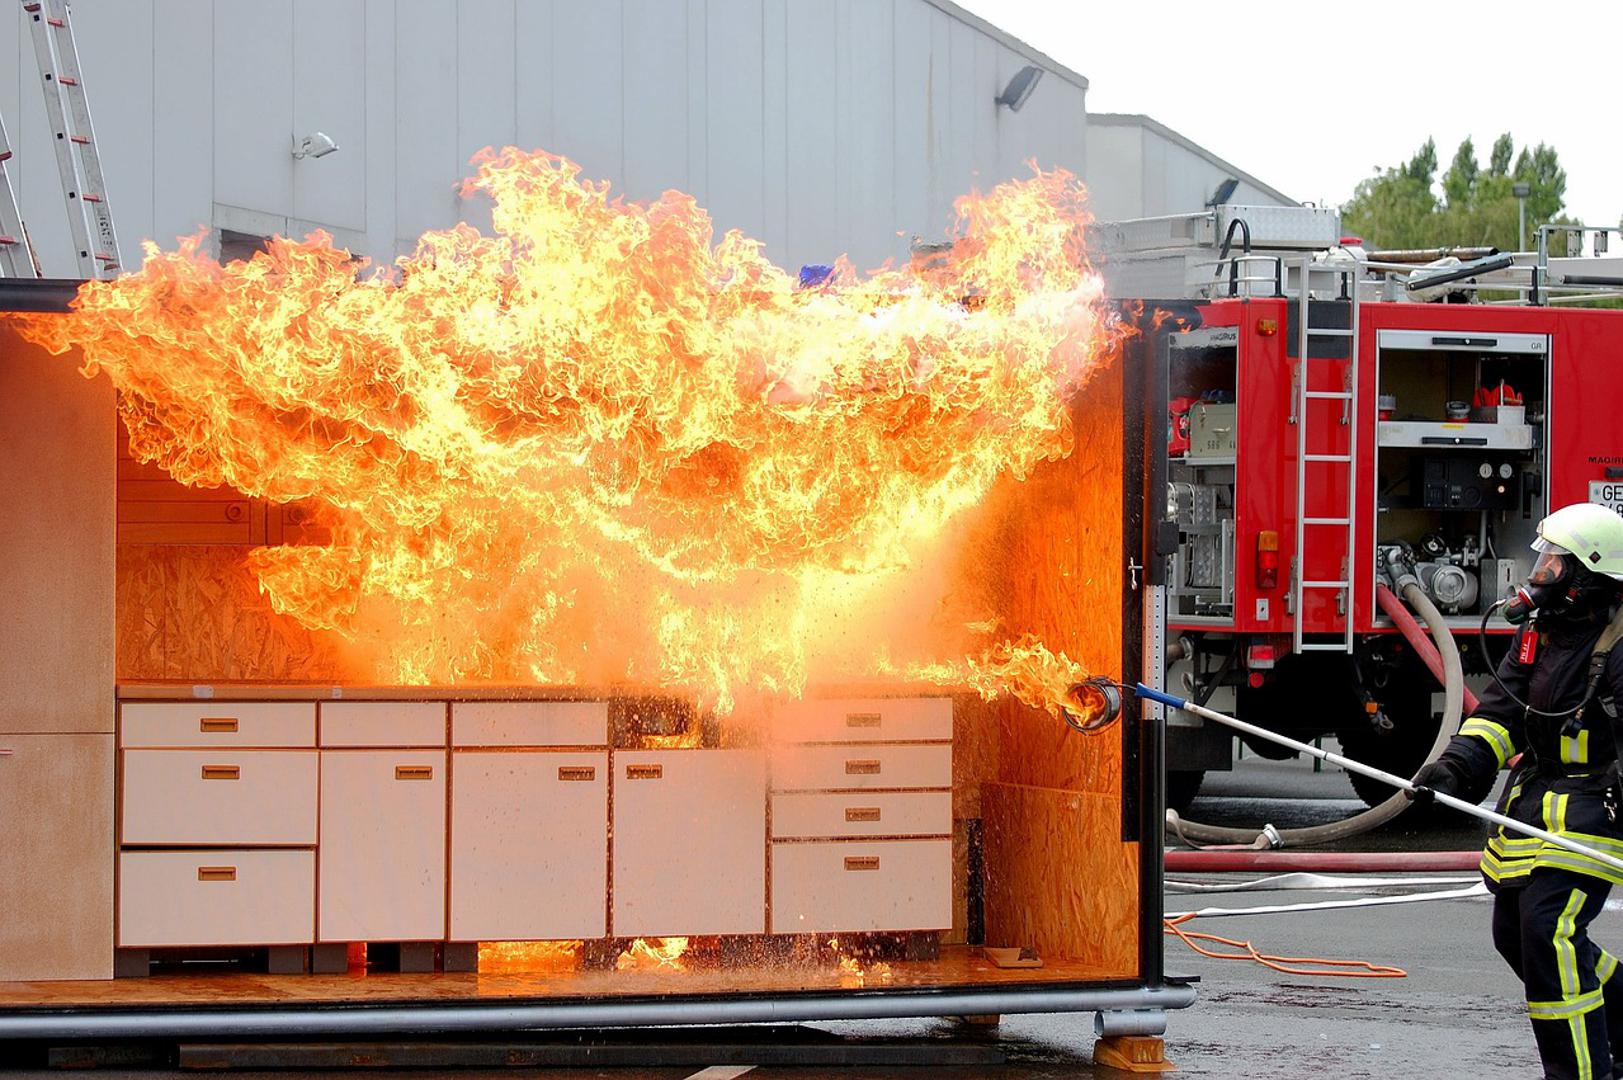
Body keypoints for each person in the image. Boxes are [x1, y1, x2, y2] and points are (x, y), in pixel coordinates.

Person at [1411, 502, 1623, 1080]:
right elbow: (1502, 715)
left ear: (1587, 574)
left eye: (1553, 560)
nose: (1538, 571)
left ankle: (1582, 1072)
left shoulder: (1619, 640)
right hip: (1534, 804)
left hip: (1599, 808)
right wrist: (1455, 768)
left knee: (1547, 933)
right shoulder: (1540, 631)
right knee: (1516, 937)